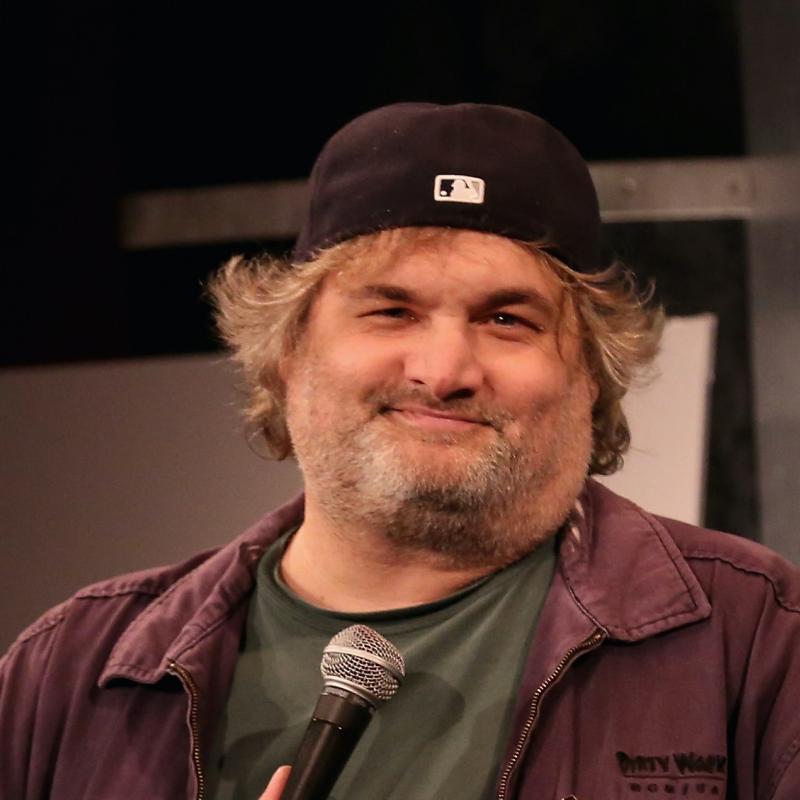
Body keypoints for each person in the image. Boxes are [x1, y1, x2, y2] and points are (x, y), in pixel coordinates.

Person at [1, 102, 798, 800]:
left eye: (507, 320)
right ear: (287, 356)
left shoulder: (759, 640)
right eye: (391, 311)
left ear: (590, 374)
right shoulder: (69, 672)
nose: (444, 371)